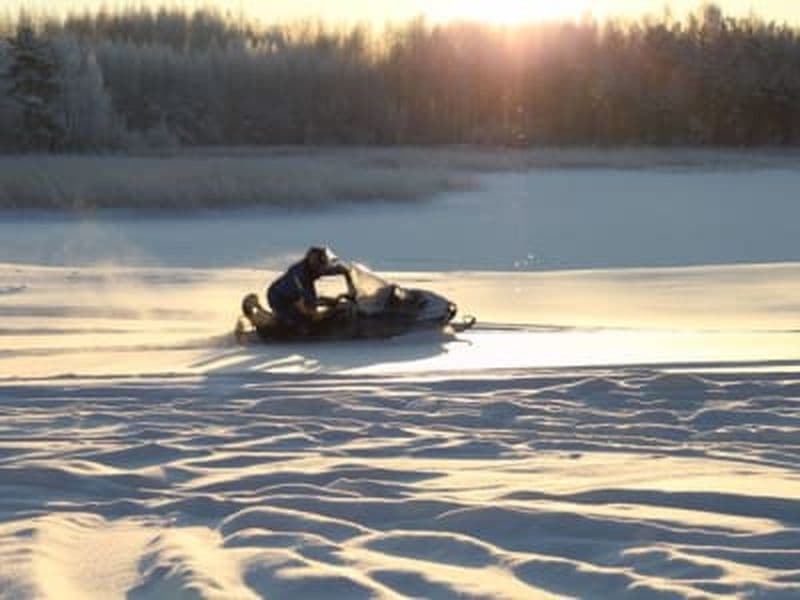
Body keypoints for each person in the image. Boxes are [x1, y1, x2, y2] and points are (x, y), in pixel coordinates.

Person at [267, 246, 354, 335]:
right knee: (304, 322)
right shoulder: (299, 278)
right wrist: (328, 308)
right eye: (321, 266)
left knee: (315, 307)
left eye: (325, 265)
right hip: (278, 297)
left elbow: (343, 270)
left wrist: (351, 287)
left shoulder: (316, 267)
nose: (324, 269)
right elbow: (304, 306)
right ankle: (277, 324)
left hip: (302, 288)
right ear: (314, 265)